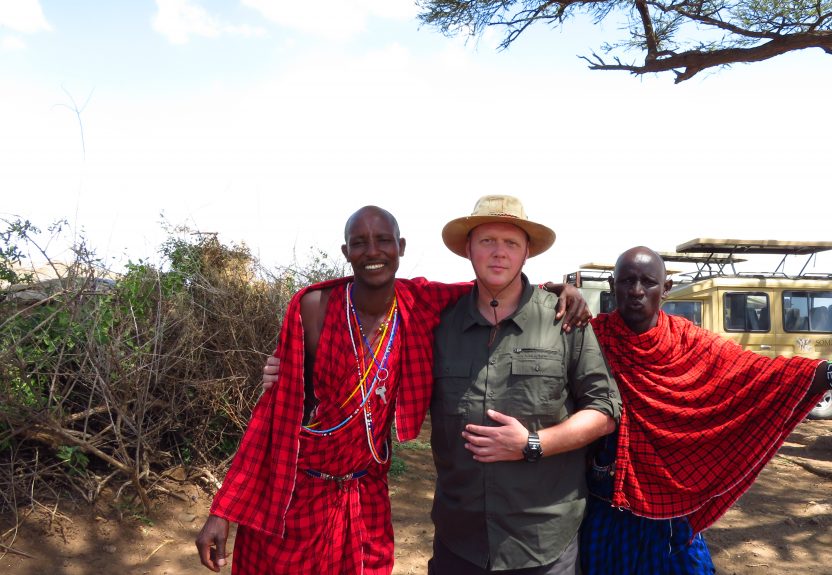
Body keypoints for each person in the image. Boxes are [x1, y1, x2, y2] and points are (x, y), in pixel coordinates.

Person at [195, 205, 589, 574]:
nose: (373, 251)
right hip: (298, 494)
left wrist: (556, 289)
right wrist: (222, 511)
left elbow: (495, 287)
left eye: (383, 240)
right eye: (360, 242)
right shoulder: (313, 307)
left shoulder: (419, 303)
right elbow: (274, 416)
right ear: (346, 251)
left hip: (365, 496)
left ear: (399, 248)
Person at [580, 246, 832, 574]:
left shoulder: (691, 343)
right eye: (626, 281)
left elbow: (766, 374)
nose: (636, 291)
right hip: (609, 506)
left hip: (671, 513)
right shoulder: (590, 339)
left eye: (648, 282)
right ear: (613, 286)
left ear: (665, 289)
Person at [427, 195, 620, 574]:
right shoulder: (438, 324)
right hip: (458, 540)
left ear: (527, 252)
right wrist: (292, 368)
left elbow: (605, 410)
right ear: (468, 249)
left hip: (543, 542)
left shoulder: (564, 320)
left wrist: (533, 444)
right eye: (487, 241)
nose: (499, 253)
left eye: (511, 243)